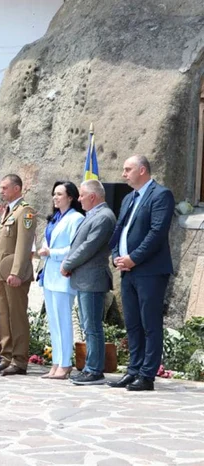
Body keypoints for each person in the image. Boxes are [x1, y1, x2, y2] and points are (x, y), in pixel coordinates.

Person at [108, 155, 175, 391]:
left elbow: (157, 233)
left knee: (150, 323)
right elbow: (119, 229)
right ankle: (133, 369)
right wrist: (116, 255)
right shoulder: (128, 198)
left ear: (143, 170)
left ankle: (147, 375)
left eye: (128, 169)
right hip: (127, 270)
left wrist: (133, 258)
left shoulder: (160, 195)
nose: (124, 174)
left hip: (150, 271)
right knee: (133, 323)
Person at [60, 179, 116, 385]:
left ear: (92, 196)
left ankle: (94, 369)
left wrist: (68, 264)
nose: (79, 199)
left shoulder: (104, 217)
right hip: (84, 279)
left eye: (82, 195)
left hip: (92, 279)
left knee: (92, 326)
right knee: (87, 325)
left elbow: (88, 247)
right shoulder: (92, 215)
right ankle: (91, 367)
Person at [0, 174, 37, 376]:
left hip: (15, 275)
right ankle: (7, 356)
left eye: (5, 187)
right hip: (1, 272)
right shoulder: (7, 211)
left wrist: (16, 272)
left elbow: (23, 247)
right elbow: (0, 248)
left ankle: (20, 359)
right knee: (4, 318)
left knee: (17, 318)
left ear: (17, 188)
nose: (2, 191)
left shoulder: (25, 212)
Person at [37, 181, 85, 379]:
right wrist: (43, 250)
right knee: (53, 322)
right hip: (49, 275)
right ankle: (56, 361)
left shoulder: (76, 219)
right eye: (54, 194)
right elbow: (46, 240)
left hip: (64, 275)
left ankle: (66, 363)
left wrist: (52, 252)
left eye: (59, 194)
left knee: (63, 320)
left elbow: (75, 248)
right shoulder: (54, 218)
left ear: (71, 197)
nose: (55, 198)